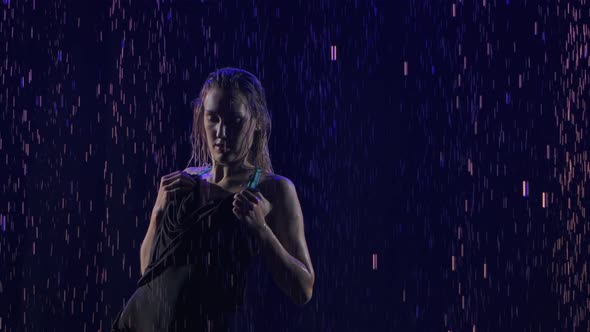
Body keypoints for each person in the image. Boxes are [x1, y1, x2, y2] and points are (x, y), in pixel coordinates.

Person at [111, 67, 315, 331]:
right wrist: (157, 214)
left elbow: (303, 290)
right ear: (201, 118)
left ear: (257, 123)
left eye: (234, 121)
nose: (222, 132)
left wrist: (262, 231)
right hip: (136, 323)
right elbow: (149, 274)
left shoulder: (272, 189)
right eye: (213, 118)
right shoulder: (185, 180)